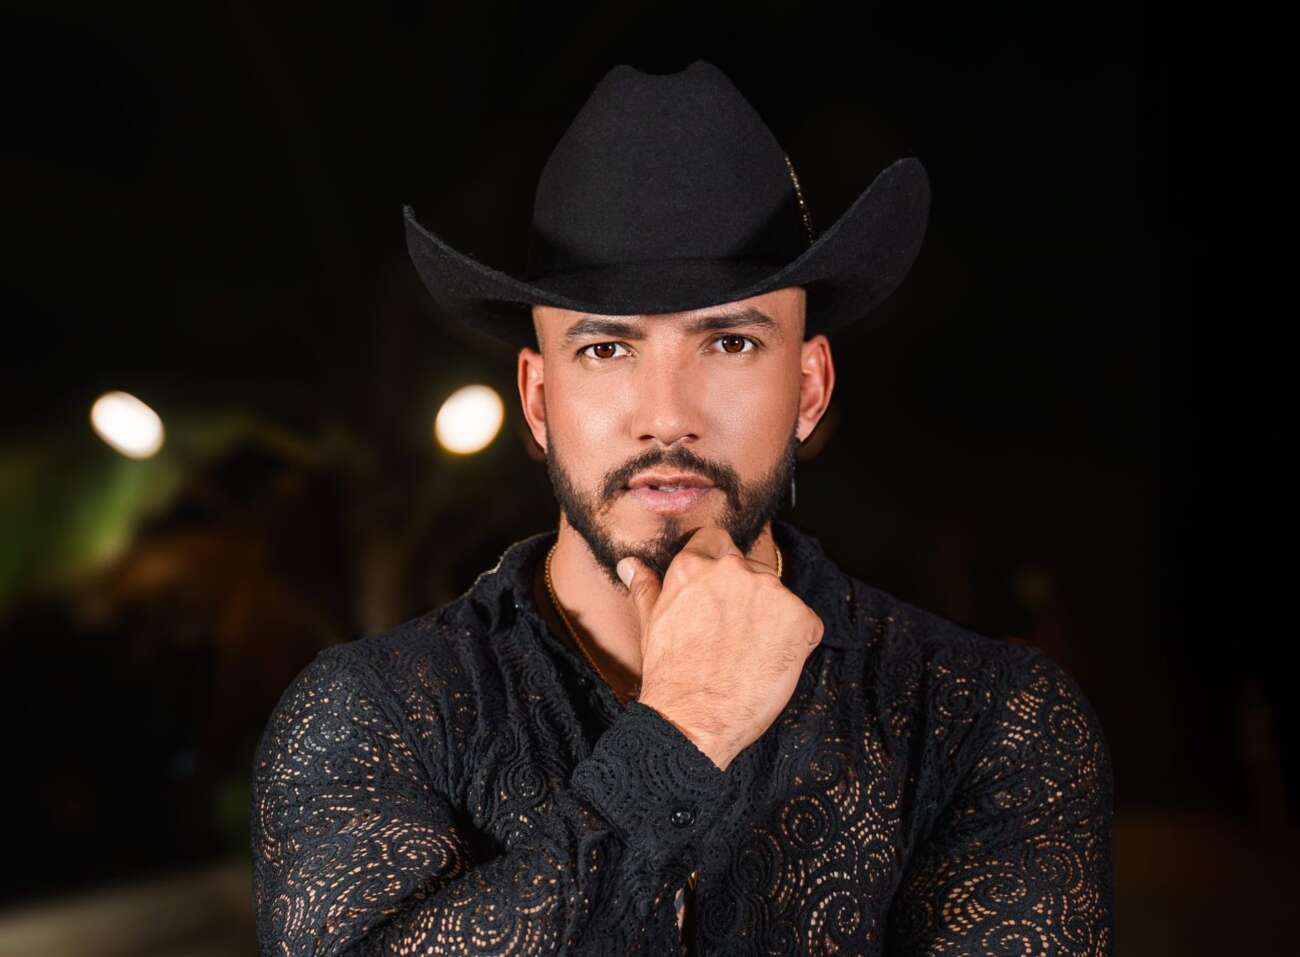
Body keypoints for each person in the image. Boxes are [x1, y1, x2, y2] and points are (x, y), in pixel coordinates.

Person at [250, 60, 1115, 955]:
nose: (667, 415)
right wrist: (683, 733)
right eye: (606, 350)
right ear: (539, 401)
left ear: (809, 388)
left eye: (730, 341)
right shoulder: (373, 712)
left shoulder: (982, 718)